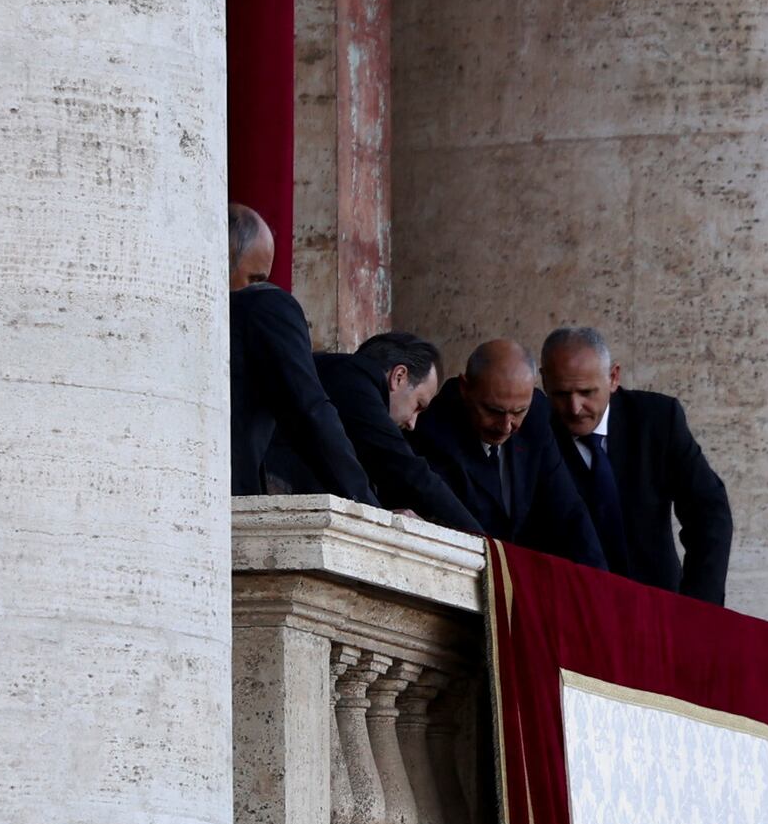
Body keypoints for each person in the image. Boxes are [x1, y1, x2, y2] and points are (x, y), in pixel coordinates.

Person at [540, 328, 733, 603]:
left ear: (613, 377)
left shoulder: (658, 420)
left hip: (658, 603)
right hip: (571, 609)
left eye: (586, 392)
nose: (574, 407)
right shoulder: (533, 431)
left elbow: (709, 511)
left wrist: (699, 610)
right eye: (560, 394)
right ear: (544, 381)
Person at [228, 204, 374, 503]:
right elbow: (309, 411)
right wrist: (368, 507)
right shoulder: (262, 307)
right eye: (256, 279)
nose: (261, 288)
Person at [414, 337, 606, 563]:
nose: (506, 426)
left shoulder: (536, 415)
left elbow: (569, 512)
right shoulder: (431, 428)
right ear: (466, 388)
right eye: (494, 411)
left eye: (518, 412)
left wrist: (599, 587)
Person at [321, 331, 478, 530]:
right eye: (418, 405)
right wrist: (487, 545)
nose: (413, 423)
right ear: (399, 376)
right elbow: (410, 472)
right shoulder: (352, 377)